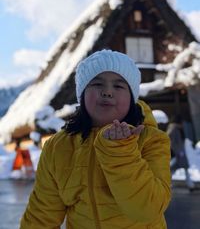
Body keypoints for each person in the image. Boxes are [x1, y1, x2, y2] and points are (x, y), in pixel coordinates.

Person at [19, 50, 171, 229]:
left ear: (132, 98)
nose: (107, 92)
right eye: (97, 84)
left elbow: (148, 209)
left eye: (119, 86)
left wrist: (120, 151)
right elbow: (41, 216)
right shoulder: (58, 147)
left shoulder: (151, 140)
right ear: (82, 95)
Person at [167, 115, 195, 191]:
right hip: (179, 153)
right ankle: (167, 183)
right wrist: (178, 151)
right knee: (172, 169)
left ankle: (190, 185)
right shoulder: (173, 128)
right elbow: (171, 141)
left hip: (180, 152)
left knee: (176, 168)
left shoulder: (175, 128)